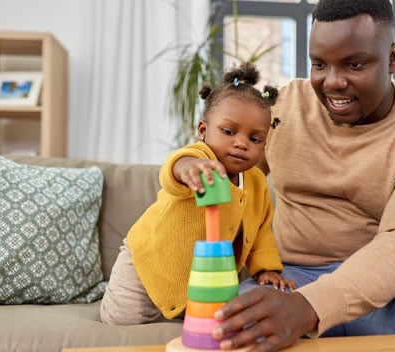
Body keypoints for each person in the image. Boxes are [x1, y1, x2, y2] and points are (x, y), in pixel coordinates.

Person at [211, 0, 395, 351]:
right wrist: (187, 166)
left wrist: (309, 308)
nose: (332, 82)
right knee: (232, 328)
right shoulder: (284, 107)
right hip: (290, 278)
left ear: (392, 57)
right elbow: (222, 169)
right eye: (319, 65)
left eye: (354, 65)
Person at [100, 62, 296, 325]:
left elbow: (260, 233)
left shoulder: (257, 183)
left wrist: (267, 269)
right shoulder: (200, 158)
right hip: (148, 266)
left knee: (202, 325)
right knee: (121, 320)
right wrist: (190, 169)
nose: (241, 143)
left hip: (202, 276)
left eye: (255, 139)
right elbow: (173, 169)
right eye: (228, 132)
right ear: (203, 131)